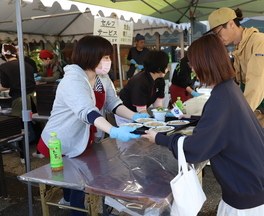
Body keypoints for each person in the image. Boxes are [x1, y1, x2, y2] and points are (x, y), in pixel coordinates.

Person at [142, 34, 264, 216]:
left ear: (206, 63)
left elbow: (195, 149)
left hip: (251, 196)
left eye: (193, 62)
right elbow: (220, 122)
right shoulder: (229, 88)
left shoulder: (220, 99)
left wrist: (159, 138)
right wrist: (192, 117)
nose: (191, 68)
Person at [36, 35, 149, 216]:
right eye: (105, 57)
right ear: (90, 56)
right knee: (76, 181)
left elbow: (114, 104)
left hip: (86, 137)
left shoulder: (101, 79)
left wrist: (137, 117)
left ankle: (74, 203)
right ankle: (75, 209)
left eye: (108, 57)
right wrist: (114, 131)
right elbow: (87, 111)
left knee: (80, 178)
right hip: (63, 139)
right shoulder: (73, 80)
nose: (108, 61)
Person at [206, 7, 264, 189]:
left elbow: (257, 87)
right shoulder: (241, 47)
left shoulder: (259, 43)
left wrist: (235, 119)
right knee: (261, 172)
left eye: (218, 32)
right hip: (257, 116)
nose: (218, 37)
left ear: (231, 24)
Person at [0, 44, 38, 164]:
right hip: (34, 97)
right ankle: (40, 151)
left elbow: (5, 86)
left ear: (4, 55)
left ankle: (23, 156)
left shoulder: (4, 67)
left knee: (21, 127)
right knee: (37, 124)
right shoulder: (26, 64)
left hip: (20, 99)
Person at [118, 50, 168, 125]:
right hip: (126, 114)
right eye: (166, 66)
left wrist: (161, 112)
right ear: (159, 68)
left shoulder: (160, 80)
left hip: (141, 112)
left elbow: (157, 104)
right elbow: (141, 110)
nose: (167, 68)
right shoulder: (140, 81)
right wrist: (152, 123)